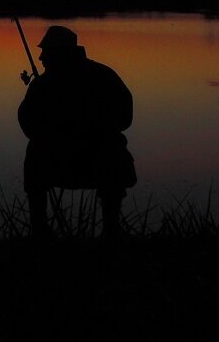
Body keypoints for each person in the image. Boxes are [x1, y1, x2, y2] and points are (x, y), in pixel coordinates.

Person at [17, 25, 136, 237]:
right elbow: (125, 118)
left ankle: (40, 231)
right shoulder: (105, 75)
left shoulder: (42, 85)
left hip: (56, 162)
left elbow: (27, 124)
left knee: (35, 152)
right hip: (100, 162)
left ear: (59, 53)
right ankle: (111, 230)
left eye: (45, 51)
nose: (41, 57)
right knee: (114, 149)